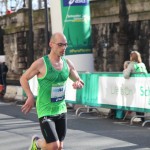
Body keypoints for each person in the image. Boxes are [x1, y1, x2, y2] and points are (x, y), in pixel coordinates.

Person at [20, 32, 84, 150]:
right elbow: (23, 78)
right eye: (60, 45)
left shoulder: (68, 63)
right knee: (54, 145)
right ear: (51, 44)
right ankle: (37, 143)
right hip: (45, 110)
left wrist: (78, 83)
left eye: (65, 45)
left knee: (60, 146)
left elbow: (78, 79)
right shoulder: (41, 63)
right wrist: (30, 96)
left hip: (61, 109)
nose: (63, 48)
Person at [123, 51, 148, 122]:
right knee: (140, 100)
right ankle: (142, 118)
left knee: (135, 101)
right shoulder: (142, 64)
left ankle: (139, 116)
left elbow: (126, 75)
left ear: (131, 57)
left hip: (134, 86)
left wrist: (125, 69)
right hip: (143, 86)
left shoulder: (131, 65)